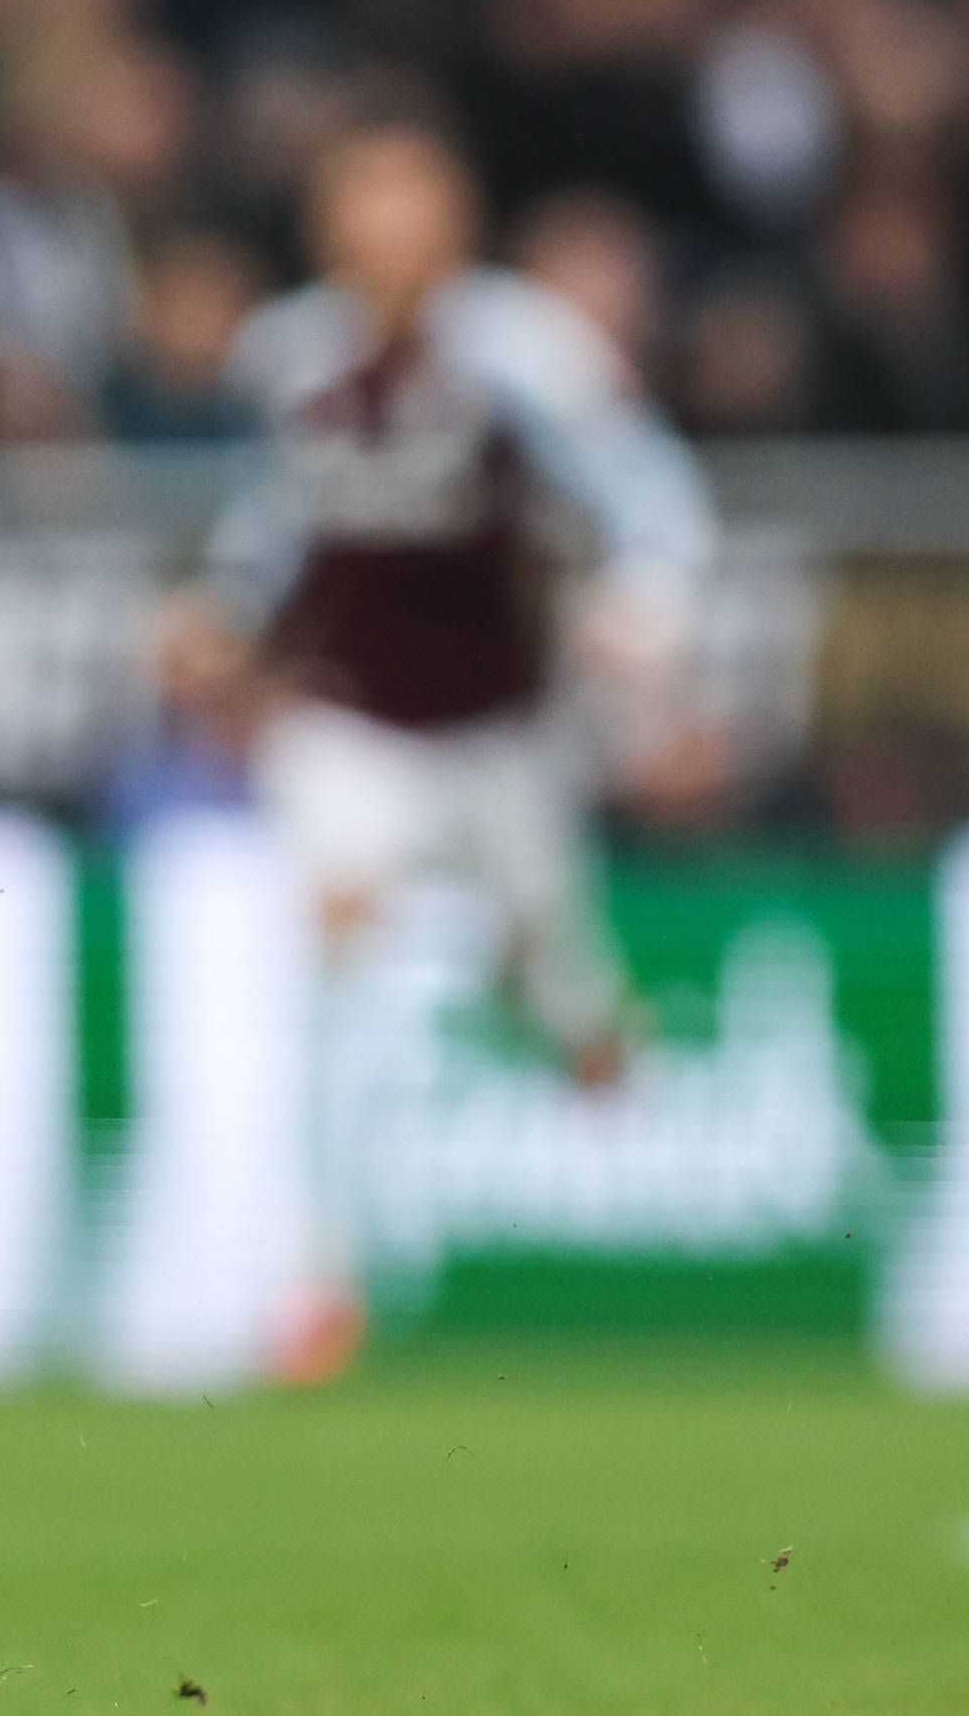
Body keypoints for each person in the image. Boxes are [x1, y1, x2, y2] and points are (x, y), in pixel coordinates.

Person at [185, 123, 717, 1382]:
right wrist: (222, 616)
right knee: (329, 940)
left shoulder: (527, 353)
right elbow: (273, 516)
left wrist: (645, 608)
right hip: (350, 721)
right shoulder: (290, 356)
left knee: (566, 997)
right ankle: (319, 1281)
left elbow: (649, 495)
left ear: (454, 233)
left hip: (502, 731)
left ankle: (561, 1013)